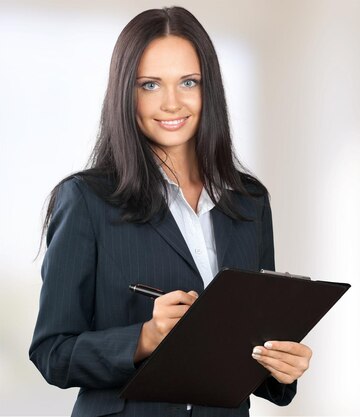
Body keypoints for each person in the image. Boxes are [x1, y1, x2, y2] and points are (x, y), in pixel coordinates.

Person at [29, 6, 312, 417]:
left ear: (208, 88)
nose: (171, 103)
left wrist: (283, 368)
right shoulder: (86, 200)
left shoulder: (248, 202)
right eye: (149, 85)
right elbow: (52, 352)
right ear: (125, 91)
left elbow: (251, 343)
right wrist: (145, 337)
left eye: (188, 82)